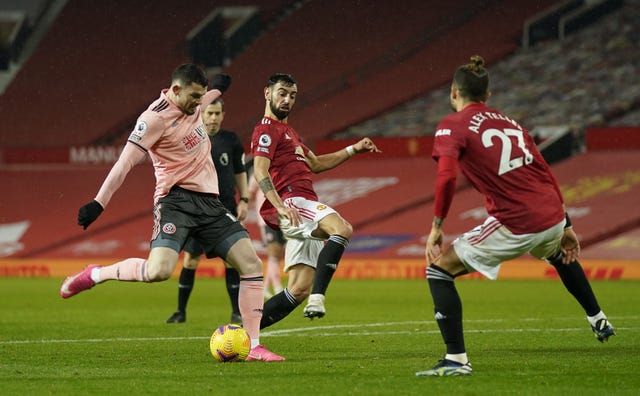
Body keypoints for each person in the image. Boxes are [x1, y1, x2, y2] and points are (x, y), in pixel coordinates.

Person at [60, 63, 284, 361]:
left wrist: (217, 87)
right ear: (175, 90)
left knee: (251, 264)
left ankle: (254, 345)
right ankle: (96, 274)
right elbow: (124, 163)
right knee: (159, 271)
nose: (199, 104)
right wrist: (98, 202)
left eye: (201, 97)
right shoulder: (152, 120)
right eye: (194, 97)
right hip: (175, 202)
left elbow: (207, 97)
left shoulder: (194, 101)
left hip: (211, 203)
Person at [416, 55, 615, 377]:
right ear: (488, 96)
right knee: (558, 255)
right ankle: (598, 318)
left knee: (439, 272)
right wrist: (566, 224)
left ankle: (456, 361)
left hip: (517, 220)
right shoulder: (512, 123)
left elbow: (447, 176)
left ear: (454, 92)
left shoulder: (452, 125)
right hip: (550, 215)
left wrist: (437, 226)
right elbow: (544, 172)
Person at [251, 73, 381, 329]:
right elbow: (260, 170)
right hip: (293, 203)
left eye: (292, 96)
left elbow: (316, 163)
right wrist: (279, 206)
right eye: (282, 93)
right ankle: (318, 299)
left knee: (297, 289)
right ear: (267, 93)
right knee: (342, 228)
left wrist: (354, 149)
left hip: (301, 209)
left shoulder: (289, 132)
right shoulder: (266, 129)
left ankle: (243, 333)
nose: (287, 100)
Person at [165, 98, 249, 325]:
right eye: (209, 113)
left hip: (225, 208)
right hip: (197, 209)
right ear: (202, 114)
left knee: (232, 259)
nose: (213, 118)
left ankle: (236, 312)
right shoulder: (191, 138)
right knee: (191, 260)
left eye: (217, 113)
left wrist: (245, 199)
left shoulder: (230, 140)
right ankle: (180, 311)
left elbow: (240, 171)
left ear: (223, 115)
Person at [248, 175, 285, 299]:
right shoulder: (259, 168)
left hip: (281, 216)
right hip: (266, 217)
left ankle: (265, 287)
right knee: (274, 252)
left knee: (277, 254)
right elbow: (250, 192)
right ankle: (278, 287)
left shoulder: (280, 168)